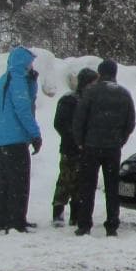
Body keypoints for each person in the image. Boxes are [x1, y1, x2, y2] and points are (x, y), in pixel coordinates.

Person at [72, 58, 136, 237]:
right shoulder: (124, 93)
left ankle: (84, 224)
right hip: (113, 148)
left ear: (100, 73)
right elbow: (130, 122)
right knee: (112, 187)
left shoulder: (90, 92)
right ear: (115, 73)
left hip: (91, 146)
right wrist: (120, 139)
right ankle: (112, 224)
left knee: (87, 186)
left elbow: (79, 119)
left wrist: (81, 141)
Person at [0, 45, 43, 233]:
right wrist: (35, 134)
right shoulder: (18, 80)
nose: (31, 66)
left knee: (3, 181)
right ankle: (16, 221)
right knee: (19, 182)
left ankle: (0, 220)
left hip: (1, 139)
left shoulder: (4, 79)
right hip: (16, 139)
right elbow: (24, 108)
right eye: (30, 63)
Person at [51, 67, 99, 227]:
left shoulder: (90, 100)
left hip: (86, 148)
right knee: (66, 181)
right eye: (93, 82)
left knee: (81, 184)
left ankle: (76, 215)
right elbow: (60, 124)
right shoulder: (69, 100)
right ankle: (58, 213)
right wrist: (74, 138)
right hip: (70, 148)